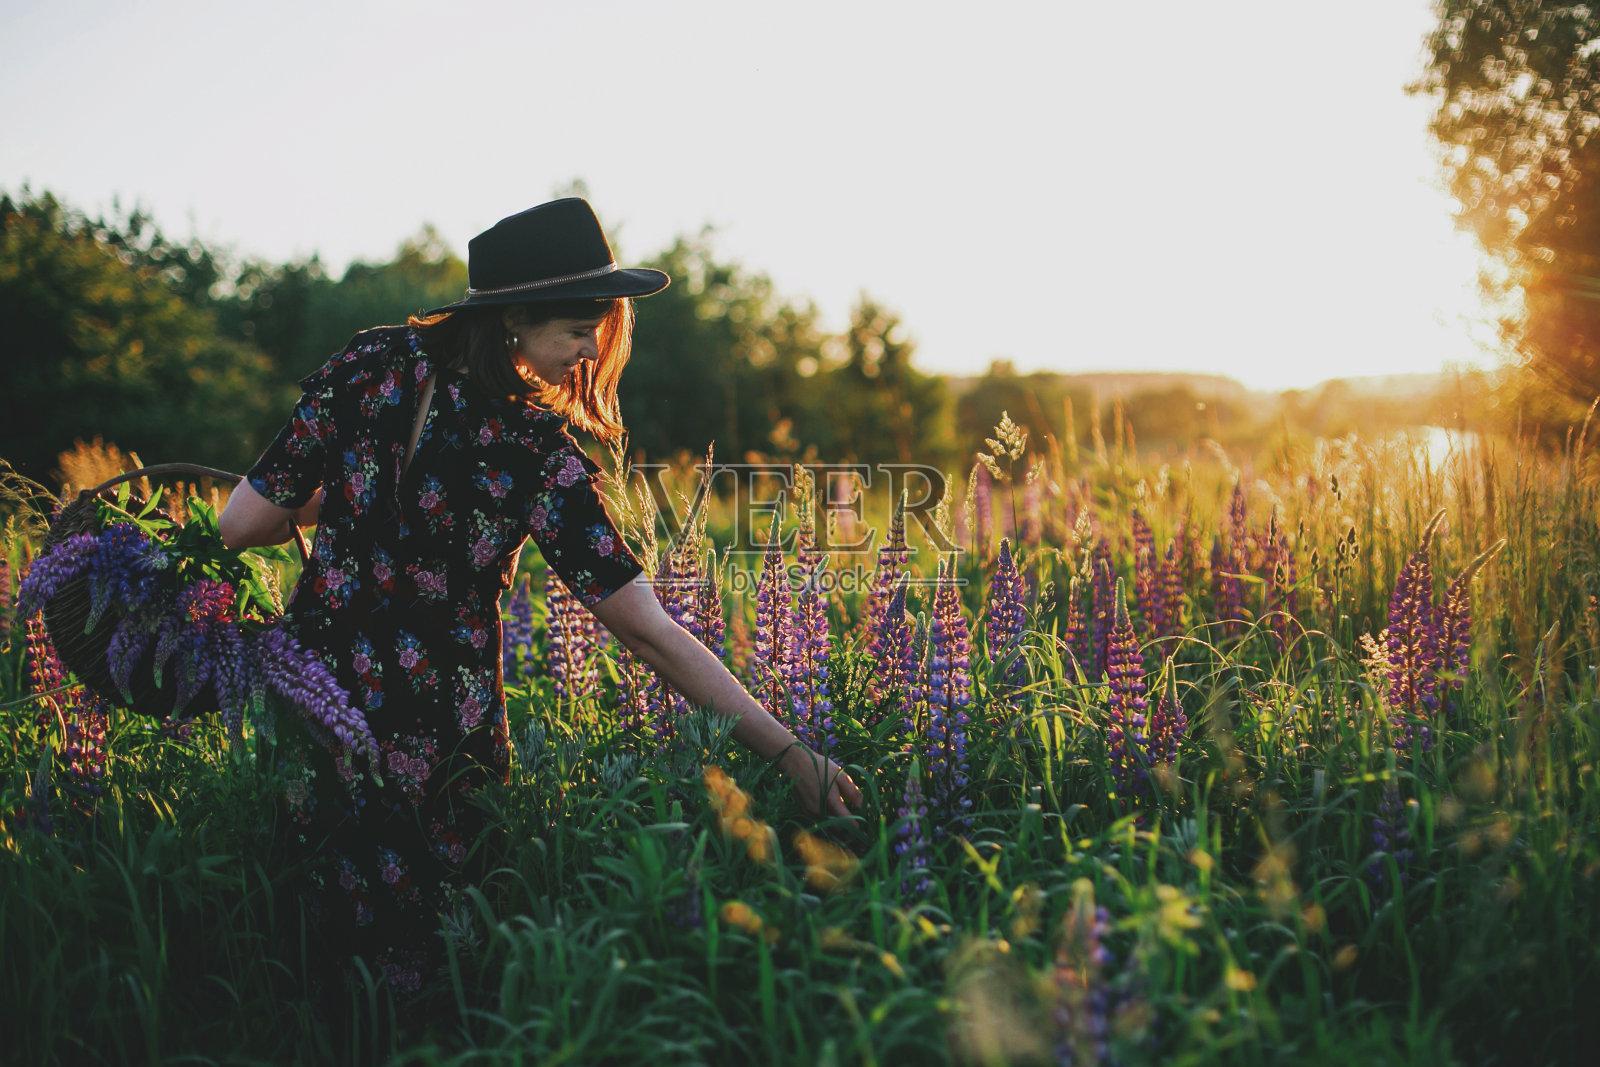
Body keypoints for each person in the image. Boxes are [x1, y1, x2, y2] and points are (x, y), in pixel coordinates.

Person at [219, 198, 860, 995]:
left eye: (601, 323)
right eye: (578, 327)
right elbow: (648, 631)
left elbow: (242, 522)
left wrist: (352, 496)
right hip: (437, 751)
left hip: (317, 709)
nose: (592, 349)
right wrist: (791, 751)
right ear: (515, 318)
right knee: (439, 985)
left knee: (311, 966)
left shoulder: (364, 366)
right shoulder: (528, 453)